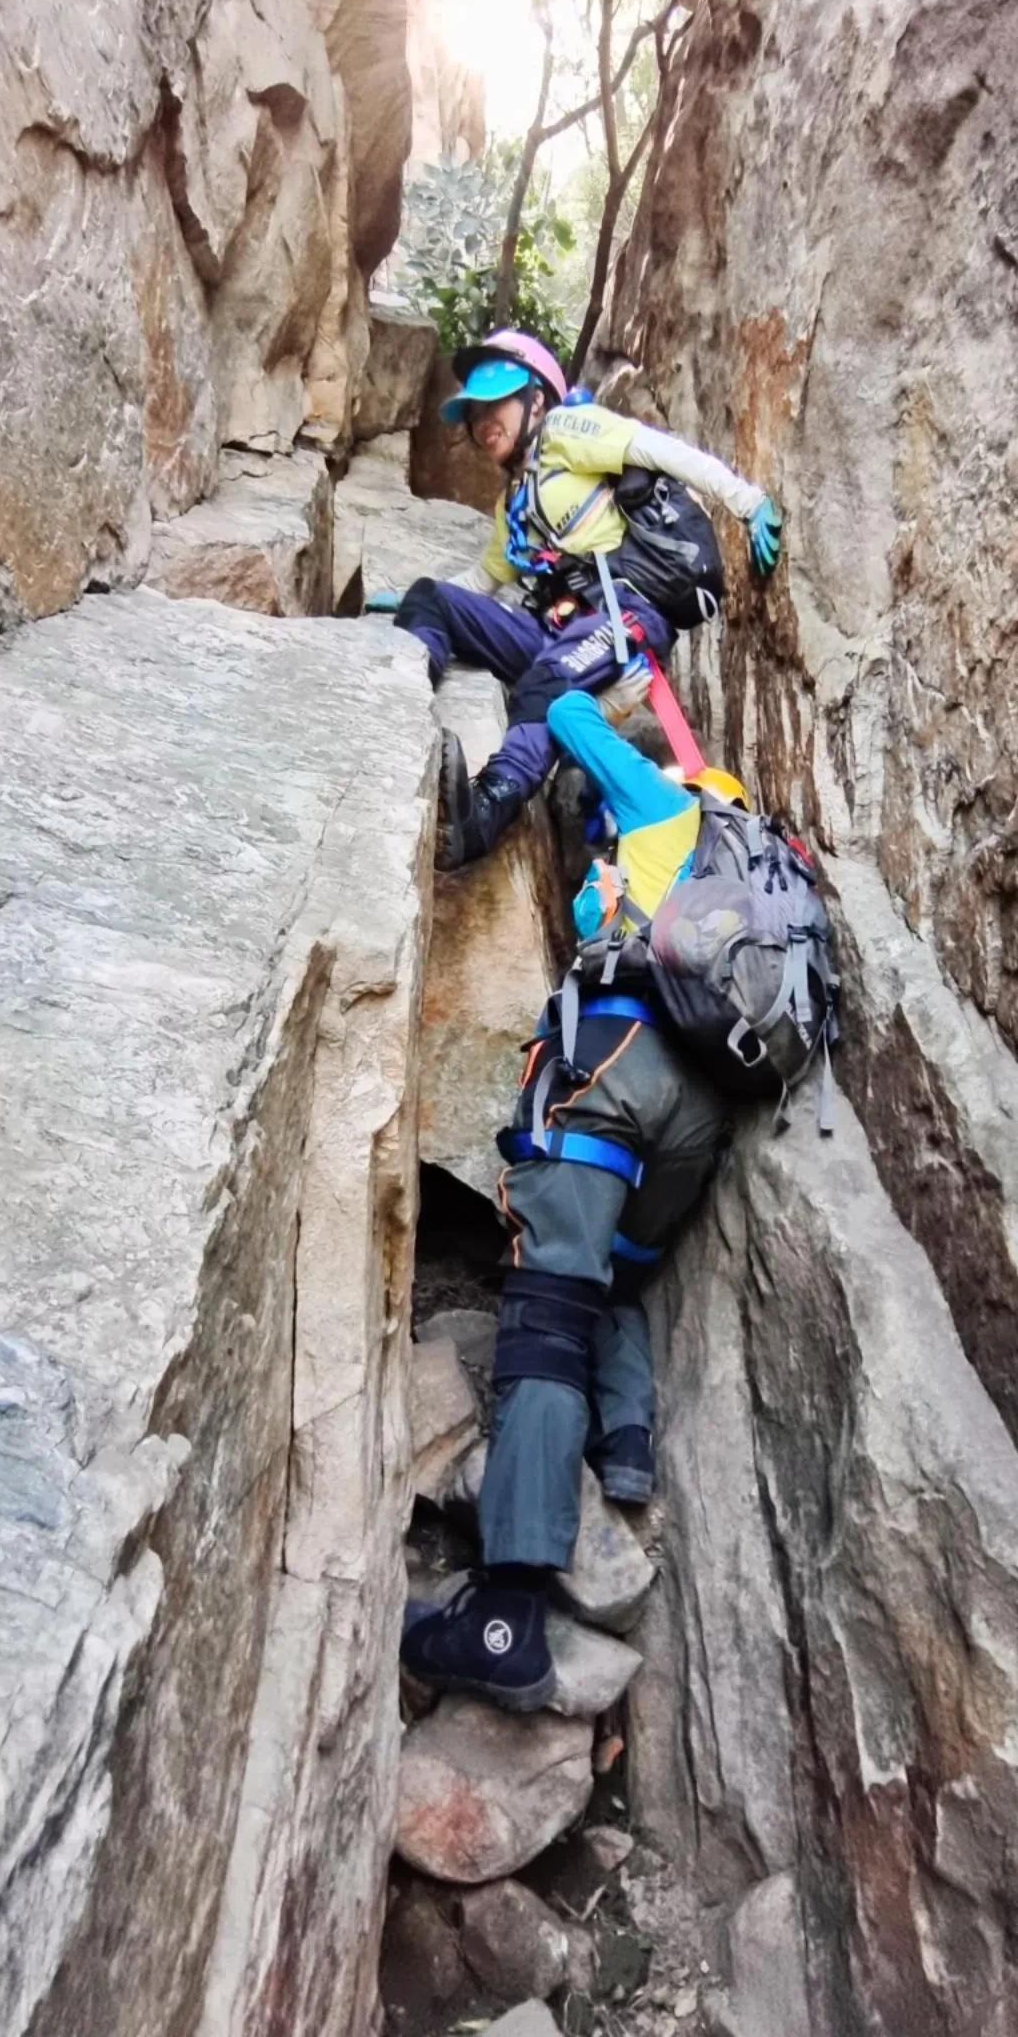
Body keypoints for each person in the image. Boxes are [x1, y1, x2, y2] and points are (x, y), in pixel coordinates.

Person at [401, 688, 748, 1711]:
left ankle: (506, 1614)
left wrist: (595, 681)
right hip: (701, 1108)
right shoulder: (746, 871)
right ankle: (626, 1447)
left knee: (546, 1311)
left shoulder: (665, 808)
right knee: (618, 1269)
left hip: (618, 1066)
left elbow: (564, 714)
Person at [388, 330, 783, 870]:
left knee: (544, 685)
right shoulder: (517, 499)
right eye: (474, 413)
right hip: (558, 631)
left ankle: (482, 813)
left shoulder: (568, 431)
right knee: (433, 599)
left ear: (538, 399)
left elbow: (662, 451)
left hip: (622, 617)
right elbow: (485, 577)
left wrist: (749, 501)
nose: (482, 424)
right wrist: (404, 605)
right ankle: (399, 706)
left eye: (495, 403)